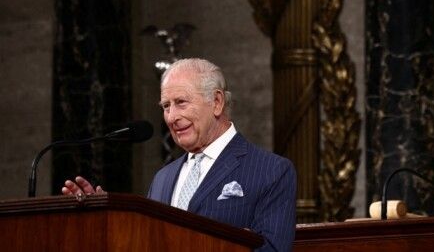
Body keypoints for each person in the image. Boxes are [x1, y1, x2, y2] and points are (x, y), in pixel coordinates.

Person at [62, 58, 296, 252]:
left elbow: (272, 250)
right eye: (166, 106)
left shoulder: (271, 171)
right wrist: (110, 218)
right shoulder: (163, 178)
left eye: (181, 103)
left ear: (216, 102)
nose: (171, 117)